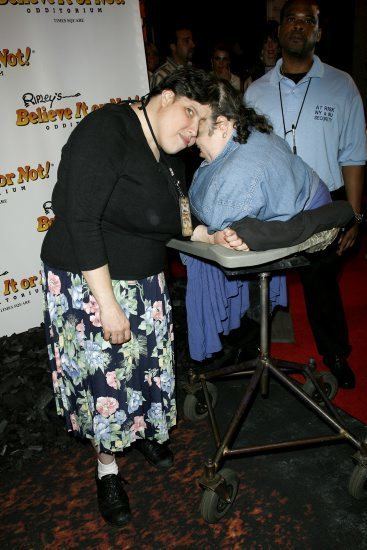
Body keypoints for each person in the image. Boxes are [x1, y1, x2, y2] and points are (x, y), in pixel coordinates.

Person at [41, 67, 249, 528]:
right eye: (189, 113)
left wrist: (205, 235)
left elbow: (168, 215)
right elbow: (80, 221)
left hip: (143, 280)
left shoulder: (169, 152)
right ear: (164, 96)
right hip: (89, 280)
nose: (193, 130)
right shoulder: (107, 130)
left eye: (201, 123)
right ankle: (106, 467)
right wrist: (108, 304)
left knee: (142, 368)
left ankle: (137, 433)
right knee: (105, 382)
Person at [244, 0, 367, 389]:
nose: (298, 26)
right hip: (272, 205)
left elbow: (353, 154)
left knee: (322, 285)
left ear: (318, 32)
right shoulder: (256, 91)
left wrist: (354, 213)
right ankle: (252, 353)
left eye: (307, 20)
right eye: (291, 20)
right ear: (279, 32)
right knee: (256, 280)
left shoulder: (342, 85)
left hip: (324, 204)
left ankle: (335, 354)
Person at [185, 78, 339, 362]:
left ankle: (243, 335)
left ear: (222, 125)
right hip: (310, 197)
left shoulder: (241, 171)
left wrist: (200, 232)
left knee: (218, 242)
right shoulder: (243, 133)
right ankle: (248, 332)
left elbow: (210, 216)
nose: (191, 141)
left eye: (197, 134)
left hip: (306, 216)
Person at [243, 23, 280, 93]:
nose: (270, 45)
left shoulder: (284, 74)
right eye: (266, 42)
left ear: (278, 48)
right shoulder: (251, 80)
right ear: (262, 49)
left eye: (274, 41)